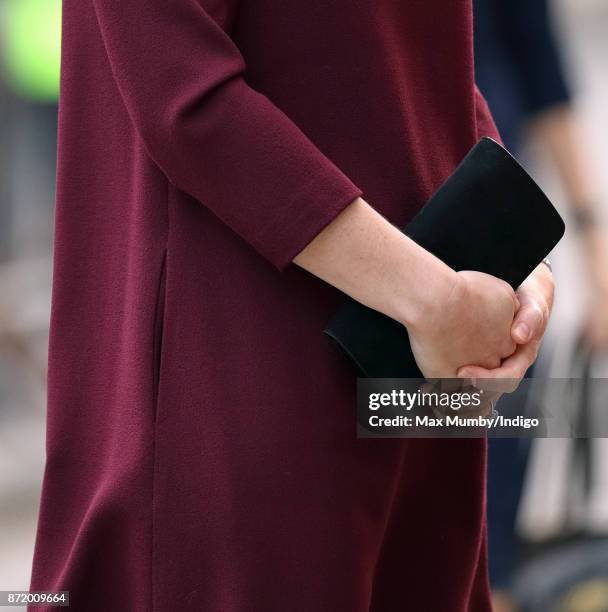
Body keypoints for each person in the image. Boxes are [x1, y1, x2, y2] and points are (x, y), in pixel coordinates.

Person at [29, 1, 554, 610]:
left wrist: (515, 269)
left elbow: (429, 70)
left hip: (416, 369)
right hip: (247, 374)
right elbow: (187, 96)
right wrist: (437, 300)